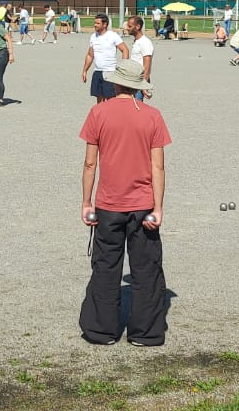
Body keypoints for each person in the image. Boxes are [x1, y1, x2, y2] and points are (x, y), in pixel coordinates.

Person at [78, 58, 169, 346]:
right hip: (142, 203)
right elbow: (158, 167)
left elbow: (90, 164)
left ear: (115, 82)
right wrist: (158, 207)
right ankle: (146, 332)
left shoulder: (98, 113)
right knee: (147, 268)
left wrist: (86, 202)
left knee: (105, 266)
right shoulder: (152, 115)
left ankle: (101, 331)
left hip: (108, 203)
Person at [81, 14, 129, 103]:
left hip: (110, 72)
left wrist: (123, 67)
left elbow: (125, 50)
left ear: (105, 24)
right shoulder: (93, 37)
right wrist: (85, 70)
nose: (95, 25)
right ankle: (101, 116)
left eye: (97, 23)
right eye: (94, 23)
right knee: (99, 100)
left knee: (111, 100)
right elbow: (90, 55)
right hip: (97, 72)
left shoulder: (113, 36)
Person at [124, 15, 154, 100]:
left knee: (137, 106)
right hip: (133, 78)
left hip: (140, 79)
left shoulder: (145, 43)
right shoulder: (137, 41)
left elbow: (147, 66)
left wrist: (144, 85)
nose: (127, 28)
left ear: (137, 27)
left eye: (130, 26)